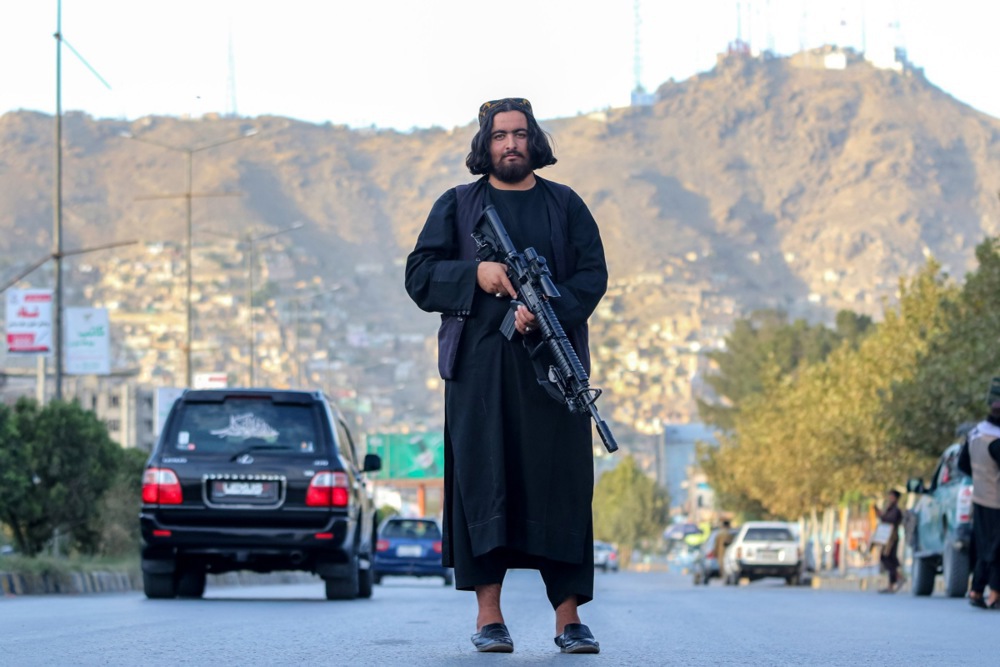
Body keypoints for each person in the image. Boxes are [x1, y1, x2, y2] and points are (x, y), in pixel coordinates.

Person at [404, 97, 609, 654]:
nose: (511, 144)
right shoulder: (457, 204)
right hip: (480, 374)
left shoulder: (565, 205)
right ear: (485, 144)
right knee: (484, 482)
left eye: (519, 134)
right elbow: (419, 276)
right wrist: (479, 274)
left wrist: (546, 310)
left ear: (534, 140)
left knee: (563, 486)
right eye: (500, 136)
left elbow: (593, 275)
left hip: (555, 371)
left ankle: (569, 619)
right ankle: (489, 616)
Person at [958, 401, 1000, 609]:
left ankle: (976, 589)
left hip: (980, 497)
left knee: (984, 546)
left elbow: (962, 464)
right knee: (996, 548)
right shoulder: (996, 440)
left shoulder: (975, 434)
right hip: (997, 500)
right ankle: (994, 593)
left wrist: (980, 480)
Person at [874, 489, 905, 593]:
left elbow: (889, 520)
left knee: (888, 558)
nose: (890, 498)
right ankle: (897, 578)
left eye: (892, 496)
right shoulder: (889, 508)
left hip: (892, 538)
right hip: (886, 537)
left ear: (896, 498)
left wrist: (881, 515)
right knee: (887, 559)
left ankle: (894, 582)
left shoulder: (896, 510)